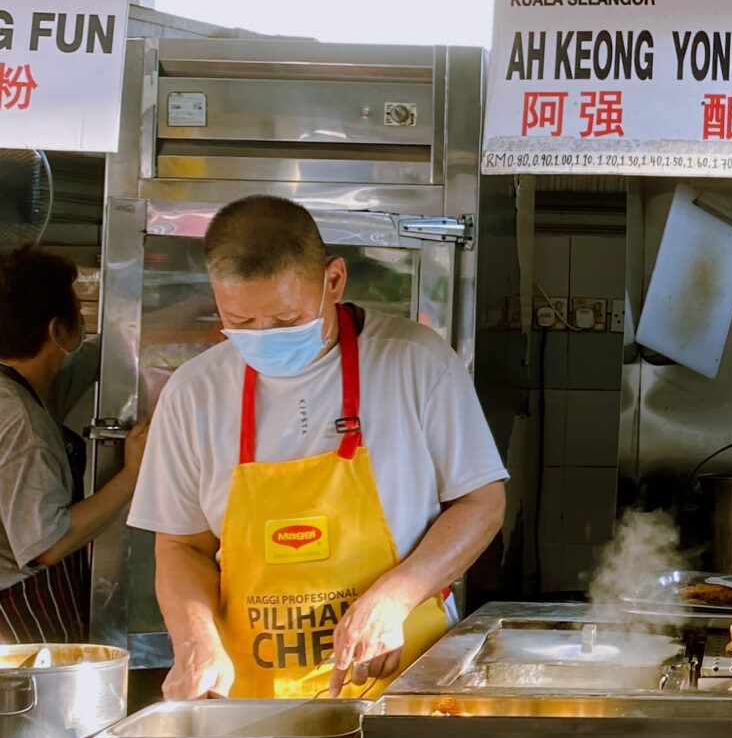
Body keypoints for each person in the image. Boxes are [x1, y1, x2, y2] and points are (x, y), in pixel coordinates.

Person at [130, 195, 508, 698]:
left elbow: (482, 502)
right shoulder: (194, 392)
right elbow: (181, 546)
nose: (264, 336)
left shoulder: (415, 363)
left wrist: (395, 598)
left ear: (333, 280)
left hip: (402, 680)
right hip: (253, 694)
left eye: (286, 320)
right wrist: (195, 640)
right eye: (241, 322)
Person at [0, 246, 146, 646]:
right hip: (17, 614)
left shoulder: (24, 390)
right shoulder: (18, 417)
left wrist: (187, 306)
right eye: (79, 314)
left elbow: (104, 353)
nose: (84, 324)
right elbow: (47, 544)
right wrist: (132, 476)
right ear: (57, 330)